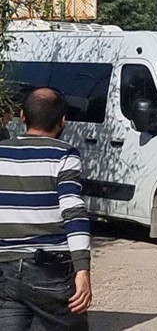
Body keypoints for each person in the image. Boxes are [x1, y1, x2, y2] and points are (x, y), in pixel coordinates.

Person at [0, 88, 92, 329]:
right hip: (51, 273)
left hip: (6, 273)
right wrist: (82, 268)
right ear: (63, 121)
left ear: (22, 116)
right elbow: (74, 212)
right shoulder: (64, 155)